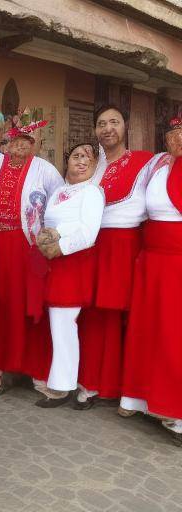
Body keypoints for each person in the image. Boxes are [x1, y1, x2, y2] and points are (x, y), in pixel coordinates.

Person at [0, 113, 63, 397]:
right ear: (7, 141)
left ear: (33, 143)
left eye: (26, 141)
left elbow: (60, 202)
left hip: (29, 246)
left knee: (31, 303)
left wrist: (51, 236)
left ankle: (35, 369)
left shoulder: (45, 169)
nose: (20, 146)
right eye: (15, 140)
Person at [74, 105, 153, 409]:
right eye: (101, 123)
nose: (108, 128)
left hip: (126, 245)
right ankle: (91, 383)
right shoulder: (91, 166)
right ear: (95, 130)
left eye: (114, 122)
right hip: (91, 246)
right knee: (93, 315)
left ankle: (127, 389)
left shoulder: (147, 162)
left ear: (126, 126)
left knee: (125, 317)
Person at [119, 116, 182, 446]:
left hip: (177, 262)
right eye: (174, 132)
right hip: (151, 259)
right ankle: (140, 398)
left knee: (173, 334)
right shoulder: (156, 165)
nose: (177, 138)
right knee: (147, 330)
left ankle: (176, 410)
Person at [35, 144, 104, 407]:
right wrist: (46, 239)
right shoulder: (59, 192)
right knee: (59, 323)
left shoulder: (93, 192)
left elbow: (89, 232)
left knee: (64, 323)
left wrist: (59, 246)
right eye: (76, 156)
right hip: (54, 263)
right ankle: (65, 381)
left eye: (88, 157)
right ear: (67, 163)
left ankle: (63, 386)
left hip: (74, 262)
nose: (81, 161)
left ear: (96, 165)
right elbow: (47, 222)